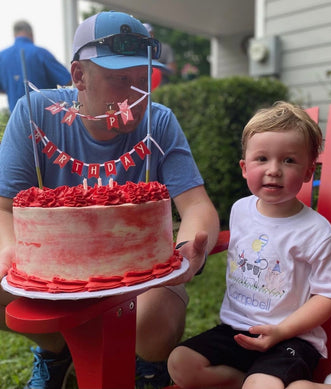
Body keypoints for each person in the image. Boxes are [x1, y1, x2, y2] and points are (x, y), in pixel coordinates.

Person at [0, 11, 219, 389]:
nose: (137, 94)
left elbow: (197, 206)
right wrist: (14, 254)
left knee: (156, 318)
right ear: (79, 76)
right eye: (120, 80)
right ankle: (57, 352)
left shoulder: (159, 121)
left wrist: (190, 247)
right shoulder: (36, 113)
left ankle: (144, 365)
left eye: (142, 79)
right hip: (55, 269)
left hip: (140, 272)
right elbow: (4, 208)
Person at [168, 101, 331, 389]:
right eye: (262, 158)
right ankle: (246, 383)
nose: (274, 170)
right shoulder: (240, 210)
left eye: (288, 160)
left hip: (290, 339)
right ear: (244, 167)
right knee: (180, 363)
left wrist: (281, 331)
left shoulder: (315, 231)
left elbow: (330, 295)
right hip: (236, 332)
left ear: (308, 172)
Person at [0, 20, 71, 112]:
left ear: (14, 34)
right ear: (31, 34)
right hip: (44, 119)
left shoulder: (2, 56)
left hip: (16, 120)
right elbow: (67, 80)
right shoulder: (40, 53)